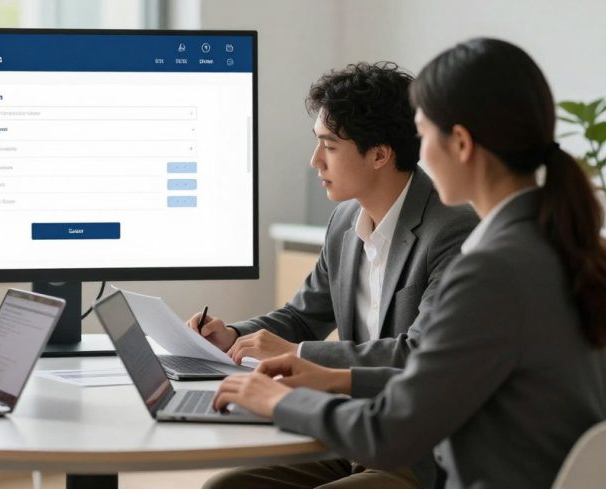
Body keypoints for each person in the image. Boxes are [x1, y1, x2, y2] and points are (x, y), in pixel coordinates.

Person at [211, 38, 606, 489]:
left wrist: (278, 401)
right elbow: (440, 380)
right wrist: (333, 378)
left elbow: (390, 432)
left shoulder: (491, 268)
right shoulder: (551, 242)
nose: (417, 151)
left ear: (459, 143)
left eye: (422, 130)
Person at [192, 62, 477, 488]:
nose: (314, 161)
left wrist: (301, 355)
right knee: (225, 487)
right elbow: (303, 316)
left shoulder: (452, 230)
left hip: (418, 454)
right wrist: (232, 335)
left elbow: (419, 354)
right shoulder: (344, 222)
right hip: (351, 438)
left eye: (329, 146)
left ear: (380, 154)